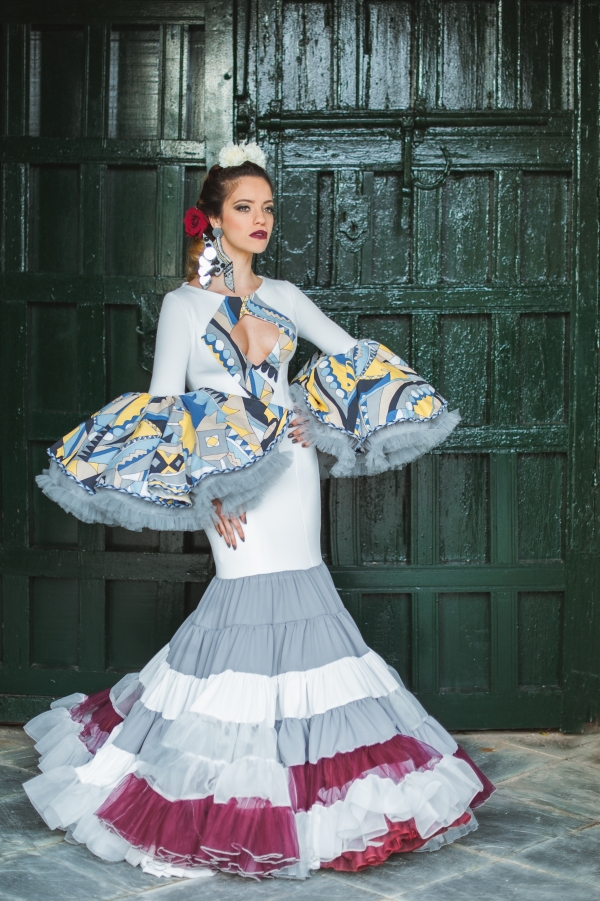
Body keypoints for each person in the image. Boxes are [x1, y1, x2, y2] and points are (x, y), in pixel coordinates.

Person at [22, 142, 494, 880]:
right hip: (230, 481)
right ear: (212, 218)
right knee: (244, 604)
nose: (260, 219)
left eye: (267, 208)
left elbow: (351, 357)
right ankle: (228, 780)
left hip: (293, 474)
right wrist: (209, 489)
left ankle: (307, 782)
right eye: (244, 207)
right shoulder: (183, 305)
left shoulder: (286, 295)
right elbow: (166, 407)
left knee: (305, 598)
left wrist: (308, 409)